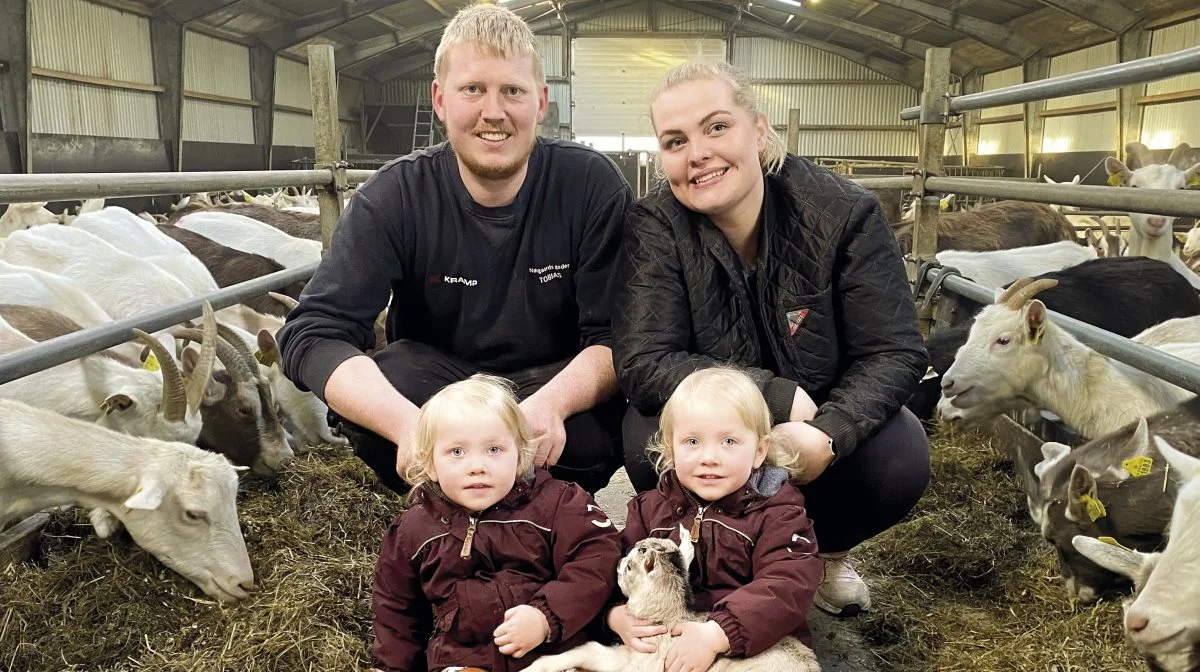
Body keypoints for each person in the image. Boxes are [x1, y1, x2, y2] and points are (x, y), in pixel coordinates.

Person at [612, 59, 931, 617]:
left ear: (757, 130)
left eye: (717, 127)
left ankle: (823, 552)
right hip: (732, 429)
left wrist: (829, 433)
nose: (698, 154)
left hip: (820, 422)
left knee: (900, 451)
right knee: (649, 428)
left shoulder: (843, 213)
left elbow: (895, 351)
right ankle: (710, 555)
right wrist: (771, 395)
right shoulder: (656, 224)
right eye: (675, 141)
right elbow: (643, 360)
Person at [275, 3, 632, 496]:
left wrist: (551, 406)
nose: (494, 112)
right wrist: (409, 427)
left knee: (605, 420)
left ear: (541, 101)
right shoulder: (395, 195)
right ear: (440, 99)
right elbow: (313, 332)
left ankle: (558, 516)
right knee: (388, 377)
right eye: (473, 90)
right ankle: (435, 507)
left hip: (549, 396)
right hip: (438, 396)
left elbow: (617, 336)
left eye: (512, 90)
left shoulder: (591, 185)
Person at [369, 374, 622, 672]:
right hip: (463, 660)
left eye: (494, 450)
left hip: (552, 654)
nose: (477, 467)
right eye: (457, 452)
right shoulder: (412, 531)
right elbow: (395, 610)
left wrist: (545, 616)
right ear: (430, 464)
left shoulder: (559, 505)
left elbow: (596, 559)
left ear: (519, 456)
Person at [607, 367, 822, 672]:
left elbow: (787, 584)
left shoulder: (780, 514)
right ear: (671, 448)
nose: (710, 457)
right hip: (671, 636)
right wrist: (614, 616)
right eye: (692, 442)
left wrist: (716, 635)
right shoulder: (648, 510)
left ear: (760, 451)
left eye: (729, 442)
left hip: (752, 642)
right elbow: (609, 568)